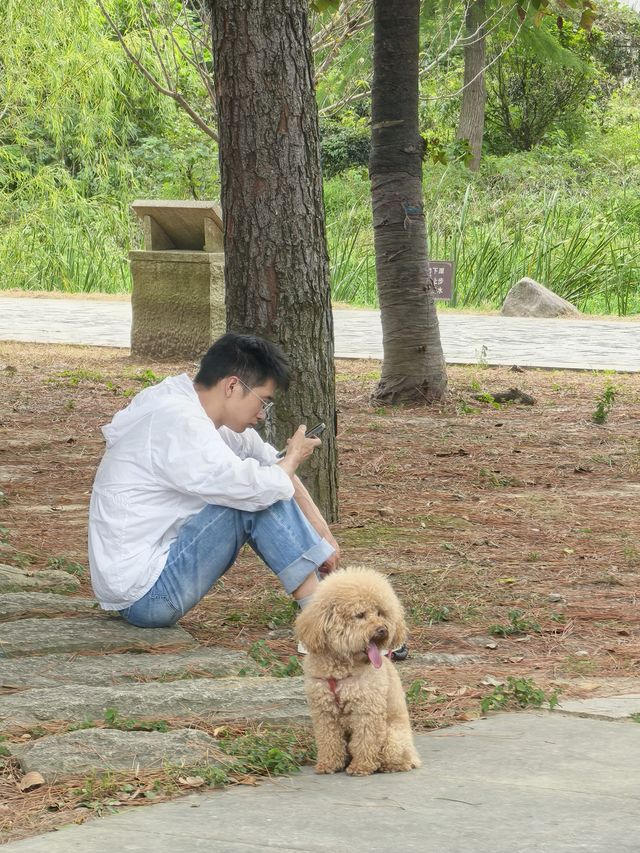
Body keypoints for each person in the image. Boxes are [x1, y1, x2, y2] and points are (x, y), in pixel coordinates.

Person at [88, 332, 339, 630]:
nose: (261, 414)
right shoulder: (180, 421)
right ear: (233, 385)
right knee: (252, 497)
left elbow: (270, 463)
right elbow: (258, 487)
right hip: (145, 596)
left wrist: (324, 536)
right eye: (263, 401)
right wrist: (294, 457)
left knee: (260, 485)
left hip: (145, 582)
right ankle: (329, 622)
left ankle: (331, 607)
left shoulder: (196, 410)